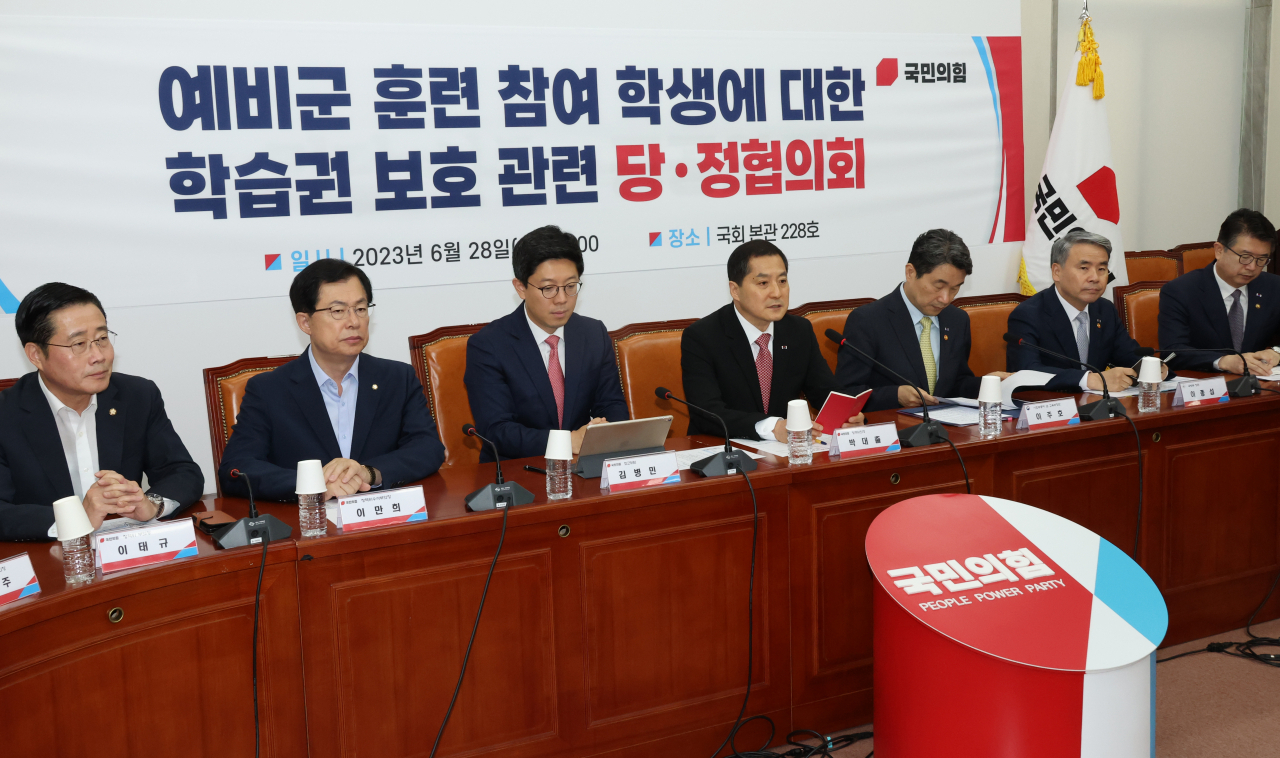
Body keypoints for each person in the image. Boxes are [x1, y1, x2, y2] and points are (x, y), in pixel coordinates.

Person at [219, 259, 445, 501]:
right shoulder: (269, 390)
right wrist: (313, 486)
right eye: (338, 311)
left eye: (360, 308)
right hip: (310, 528)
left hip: (384, 521)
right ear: (305, 322)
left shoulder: (397, 378)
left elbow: (428, 448)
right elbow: (236, 468)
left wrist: (368, 473)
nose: (354, 321)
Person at [0, 283, 203, 542]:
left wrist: (151, 504)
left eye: (102, 338)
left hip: (126, 552)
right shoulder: (6, 414)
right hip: (48, 562)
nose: (99, 356)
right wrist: (75, 518)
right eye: (79, 344)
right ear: (36, 355)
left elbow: (182, 472)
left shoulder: (137, 395)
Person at [465, 225, 628, 461]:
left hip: (583, 467)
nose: (562, 299)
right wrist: (567, 442)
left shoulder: (593, 334)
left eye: (571, 286)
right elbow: (497, 431)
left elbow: (612, 405)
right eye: (548, 288)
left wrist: (604, 432)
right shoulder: (488, 345)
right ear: (520, 287)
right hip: (517, 472)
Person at [682, 240, 864, 441]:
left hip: (786, 454)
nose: (777, 293)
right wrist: (773, 427)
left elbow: (825, 392)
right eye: (763, 283)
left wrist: (847, 415)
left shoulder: (798, 331)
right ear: (735, 290)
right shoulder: (702, 337)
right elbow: (707, 413)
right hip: (721, 450)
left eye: (782, 281)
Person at [836, 229, 1007, 411]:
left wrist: (990, 383)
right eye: (938, 286)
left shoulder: (957, 319)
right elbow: (846, 393)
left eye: (955, 288)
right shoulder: (868, 320)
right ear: (910, 272)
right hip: (895, 429)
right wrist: (895, 396)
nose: (945, 299)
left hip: (946, 430)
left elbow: (955, 385)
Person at [1006, 228, 1165, 391]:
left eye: (1102, 269)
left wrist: (1152, 367)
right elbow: (1025, 372)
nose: (1095, 277)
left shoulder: (1104, 310)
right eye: (1084, 268)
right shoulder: (1028, 315)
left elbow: (1129, 355)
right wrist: (1090, 380)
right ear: (1057, 272)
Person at [1159, 208, 1280, 375]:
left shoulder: (1274, 288)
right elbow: (1172, 352)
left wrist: (1276, 353)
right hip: (1206, 388)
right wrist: (1223, 361)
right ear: (1219, 250)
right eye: (1245, 257)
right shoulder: (1180, 291)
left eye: (1262, 259)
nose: (1252, 267)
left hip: (1259, 388)